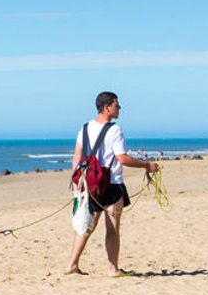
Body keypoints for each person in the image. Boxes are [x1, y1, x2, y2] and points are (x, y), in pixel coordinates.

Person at [66, 91, 158, 277]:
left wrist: (76, 181)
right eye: (117, 105)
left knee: (87, 225)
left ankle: (72, 264)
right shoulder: (115, 129)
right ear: (107, 107)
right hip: (111, 184)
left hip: (89, 183)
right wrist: (146, 165)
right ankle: (112, 268)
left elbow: (77, 155)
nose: (120, 108)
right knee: (112, 227)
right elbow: (121, 158)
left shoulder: (84, 128)